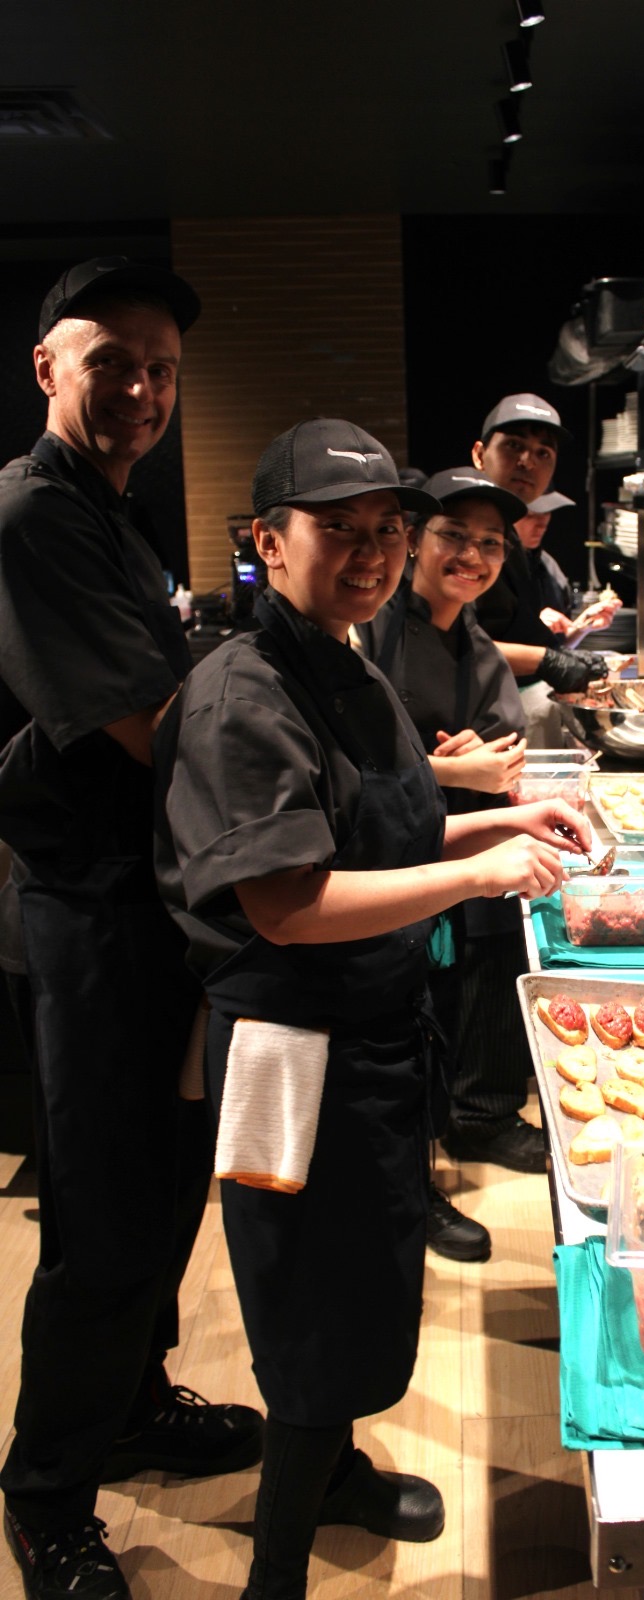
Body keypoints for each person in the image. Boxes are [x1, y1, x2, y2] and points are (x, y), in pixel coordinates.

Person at [154, 418, 591, 1600]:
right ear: (268, 542)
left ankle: (337, 1474)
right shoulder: (242, 691)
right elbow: (291, 903)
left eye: (387, 530)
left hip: (376, 1033)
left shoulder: (347, 661)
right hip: (288, 1051)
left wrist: (501, 820)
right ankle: (276, 1570)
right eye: (337, 529)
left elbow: (382, 832)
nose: (371, 553)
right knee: (305, 1295)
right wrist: (477, 875)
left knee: (362, 1276)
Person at [0, 257, 263, 1600]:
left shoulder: (118, 514)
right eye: (114, 363)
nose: (144, 391)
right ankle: (47, 1491)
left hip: (158, 901)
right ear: (49, 367)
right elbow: (153, 727)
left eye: (162, 369)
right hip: (91, 914)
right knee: (103, 1212)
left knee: (166, 1182)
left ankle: (134, 1402)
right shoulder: (31, 514)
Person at [360, 466, 542, 1187]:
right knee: (411, 1001)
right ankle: (419, 1163)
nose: (472, 555)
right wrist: (447, 769)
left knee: (488, 964)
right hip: (387, 854)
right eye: (454, 536)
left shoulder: (474, 640)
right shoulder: (371, 627)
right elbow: (353, 762)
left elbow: (503, 746)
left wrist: (485, 759)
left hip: (461, 840)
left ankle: (479, 1116)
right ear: (413, 539)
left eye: (491, 543)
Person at [471, 394, 611, 746]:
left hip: (496, 719)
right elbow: (450, 644)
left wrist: (564, 647)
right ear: (479, 455)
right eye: (513, 445)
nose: (527, 461)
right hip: (457, 730)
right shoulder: (460, 532)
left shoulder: (511, 544)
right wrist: (548, 660)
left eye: (542, 453)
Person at [514, 489, 622, 643]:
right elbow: (484, 649)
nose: (541, 524)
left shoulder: (548, 566)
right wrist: (532, 627)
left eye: (546, 513)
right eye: (530, 515)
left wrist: (582, 626)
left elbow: (559, 647)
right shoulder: (494, 570)